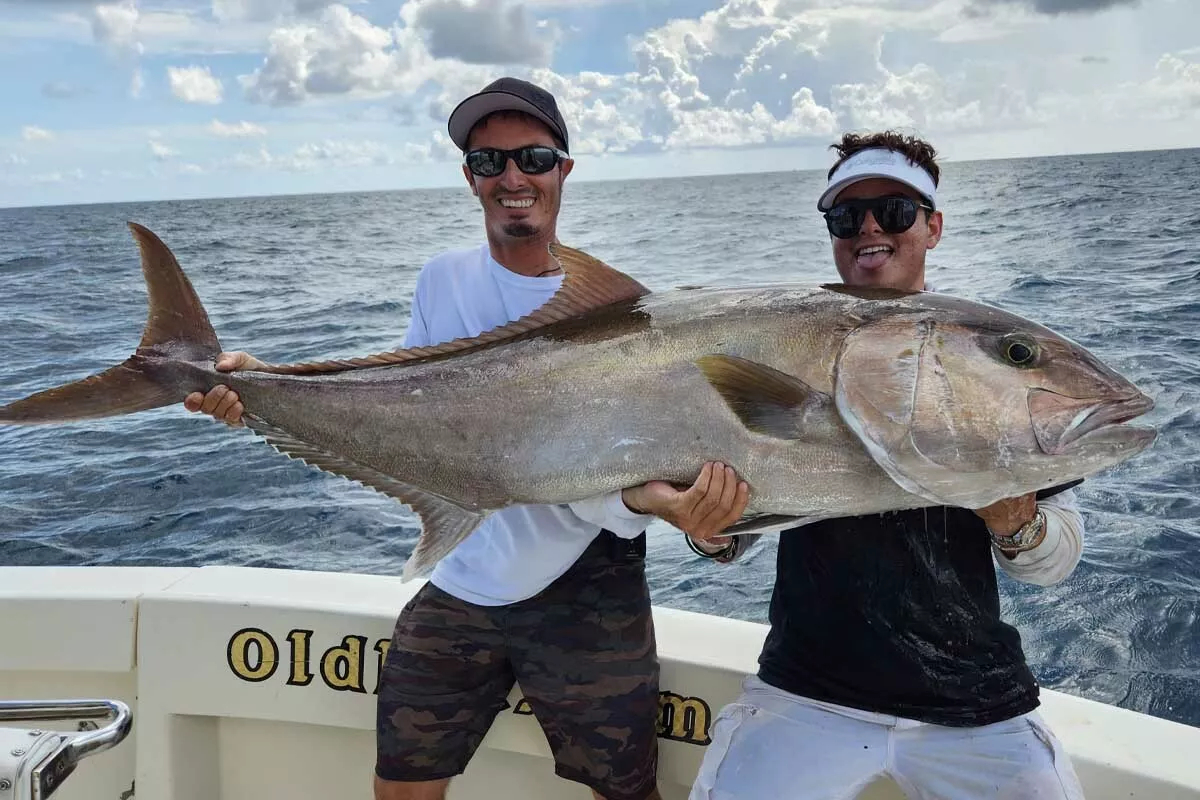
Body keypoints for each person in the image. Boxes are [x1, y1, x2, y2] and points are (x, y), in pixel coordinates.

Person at [184, 77, 749, 800]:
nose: (513, 177)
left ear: (563, 170)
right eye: (490, 162)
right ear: (470, 178)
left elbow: (630, 467)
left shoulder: (630, 316)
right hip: (464, 575)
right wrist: (265, 389)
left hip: (588, 584)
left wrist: (665, 507)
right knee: (402, 785)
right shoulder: (441, 280)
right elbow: (405, 404)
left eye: (534, 158)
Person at [687, 131, 1087, 800]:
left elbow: (1057, 560)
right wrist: (709, 529)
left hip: (975, 702)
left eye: (895, 212)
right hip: (808, 689)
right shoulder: (779, 346)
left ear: (933, 226)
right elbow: (734, 533)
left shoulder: (992, 358)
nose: (870, 228)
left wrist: (1014, 521)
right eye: (848, 216)